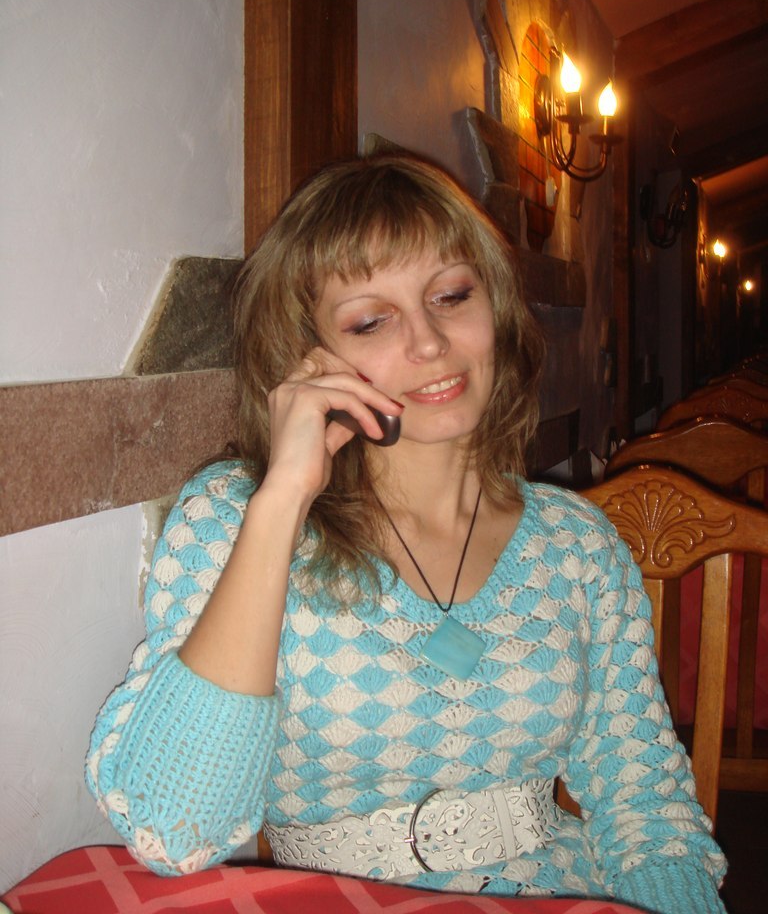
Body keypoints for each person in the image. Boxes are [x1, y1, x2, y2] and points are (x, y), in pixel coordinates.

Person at [86, 154, 727, 912]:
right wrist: (283, 501)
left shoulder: (577, 545)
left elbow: (646, 809)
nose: (429, 343)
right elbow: (173, 829)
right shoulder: (236, 520)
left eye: (451, 296)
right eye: (371, 320)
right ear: (308, 356)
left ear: (496, 308)